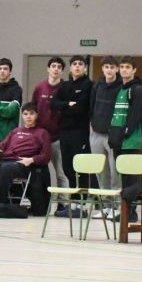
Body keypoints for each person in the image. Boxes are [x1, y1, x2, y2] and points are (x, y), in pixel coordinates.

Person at [109, 57, 142, 199]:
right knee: (122, 177)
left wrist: (125, 132)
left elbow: (136, 115)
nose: (124, 70)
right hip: (117, 140)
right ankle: (124, 207)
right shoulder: (120, 89)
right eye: (122, 67)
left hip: (130, 141)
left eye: (127, 67)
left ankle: (130, 209)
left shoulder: (138, 90)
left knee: (131, 179)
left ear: (134, 70)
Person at [51, 56, 93, 196]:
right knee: (67, 167)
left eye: (80, 64)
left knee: (80, 167)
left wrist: (64, 107)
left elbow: (80, 108)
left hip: (80, 132)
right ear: (70, 67)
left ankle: (81, 201)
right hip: (64, 132)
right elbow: (53, 104)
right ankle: (74, 200)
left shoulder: (88, 85)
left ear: (85, 68)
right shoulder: (64, 85)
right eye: (74, 64)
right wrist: (68, 104)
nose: (77, 66)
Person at [32, 57, 67, 188]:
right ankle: (40, 199)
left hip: (58, 138)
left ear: (62, 71)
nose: (56, 69)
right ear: (48, 69)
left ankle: (63, 200)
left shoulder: (65, 89)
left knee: (61, 172)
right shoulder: (39, 87)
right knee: (38, 171)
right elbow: (33, 110)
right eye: (53, 66)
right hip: (40, 138)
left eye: (59, 67)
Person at [89, 56, 122, 195]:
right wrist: (92, 125)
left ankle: (117, 204)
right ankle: (106, 204)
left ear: (117, 69)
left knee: (115, 172)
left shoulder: (122, 87)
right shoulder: (97, 86)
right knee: (101, 172)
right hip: (96, 134)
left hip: (113, 135)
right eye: (106, 67)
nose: (109, 70)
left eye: (112, 67)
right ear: (102, 69)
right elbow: (91, 107)